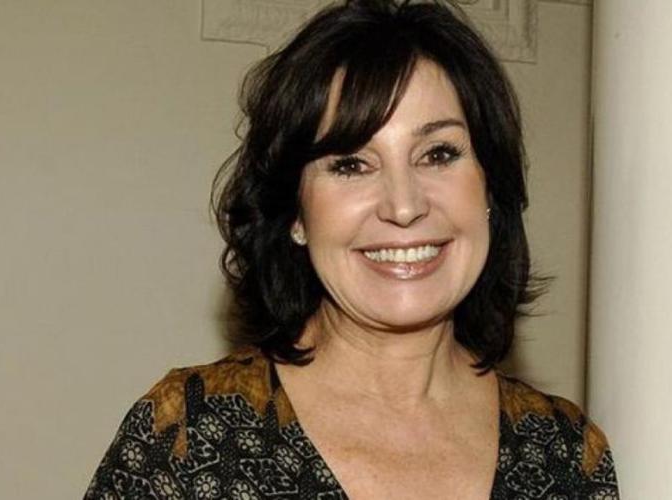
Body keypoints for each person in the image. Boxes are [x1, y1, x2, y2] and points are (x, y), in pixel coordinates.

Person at [85, 1, 619, 498]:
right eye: (350, 164)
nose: (404, 206)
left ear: (490, 190)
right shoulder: (185, 438)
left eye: (437, 154)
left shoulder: (567, 456)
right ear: (296, 215)